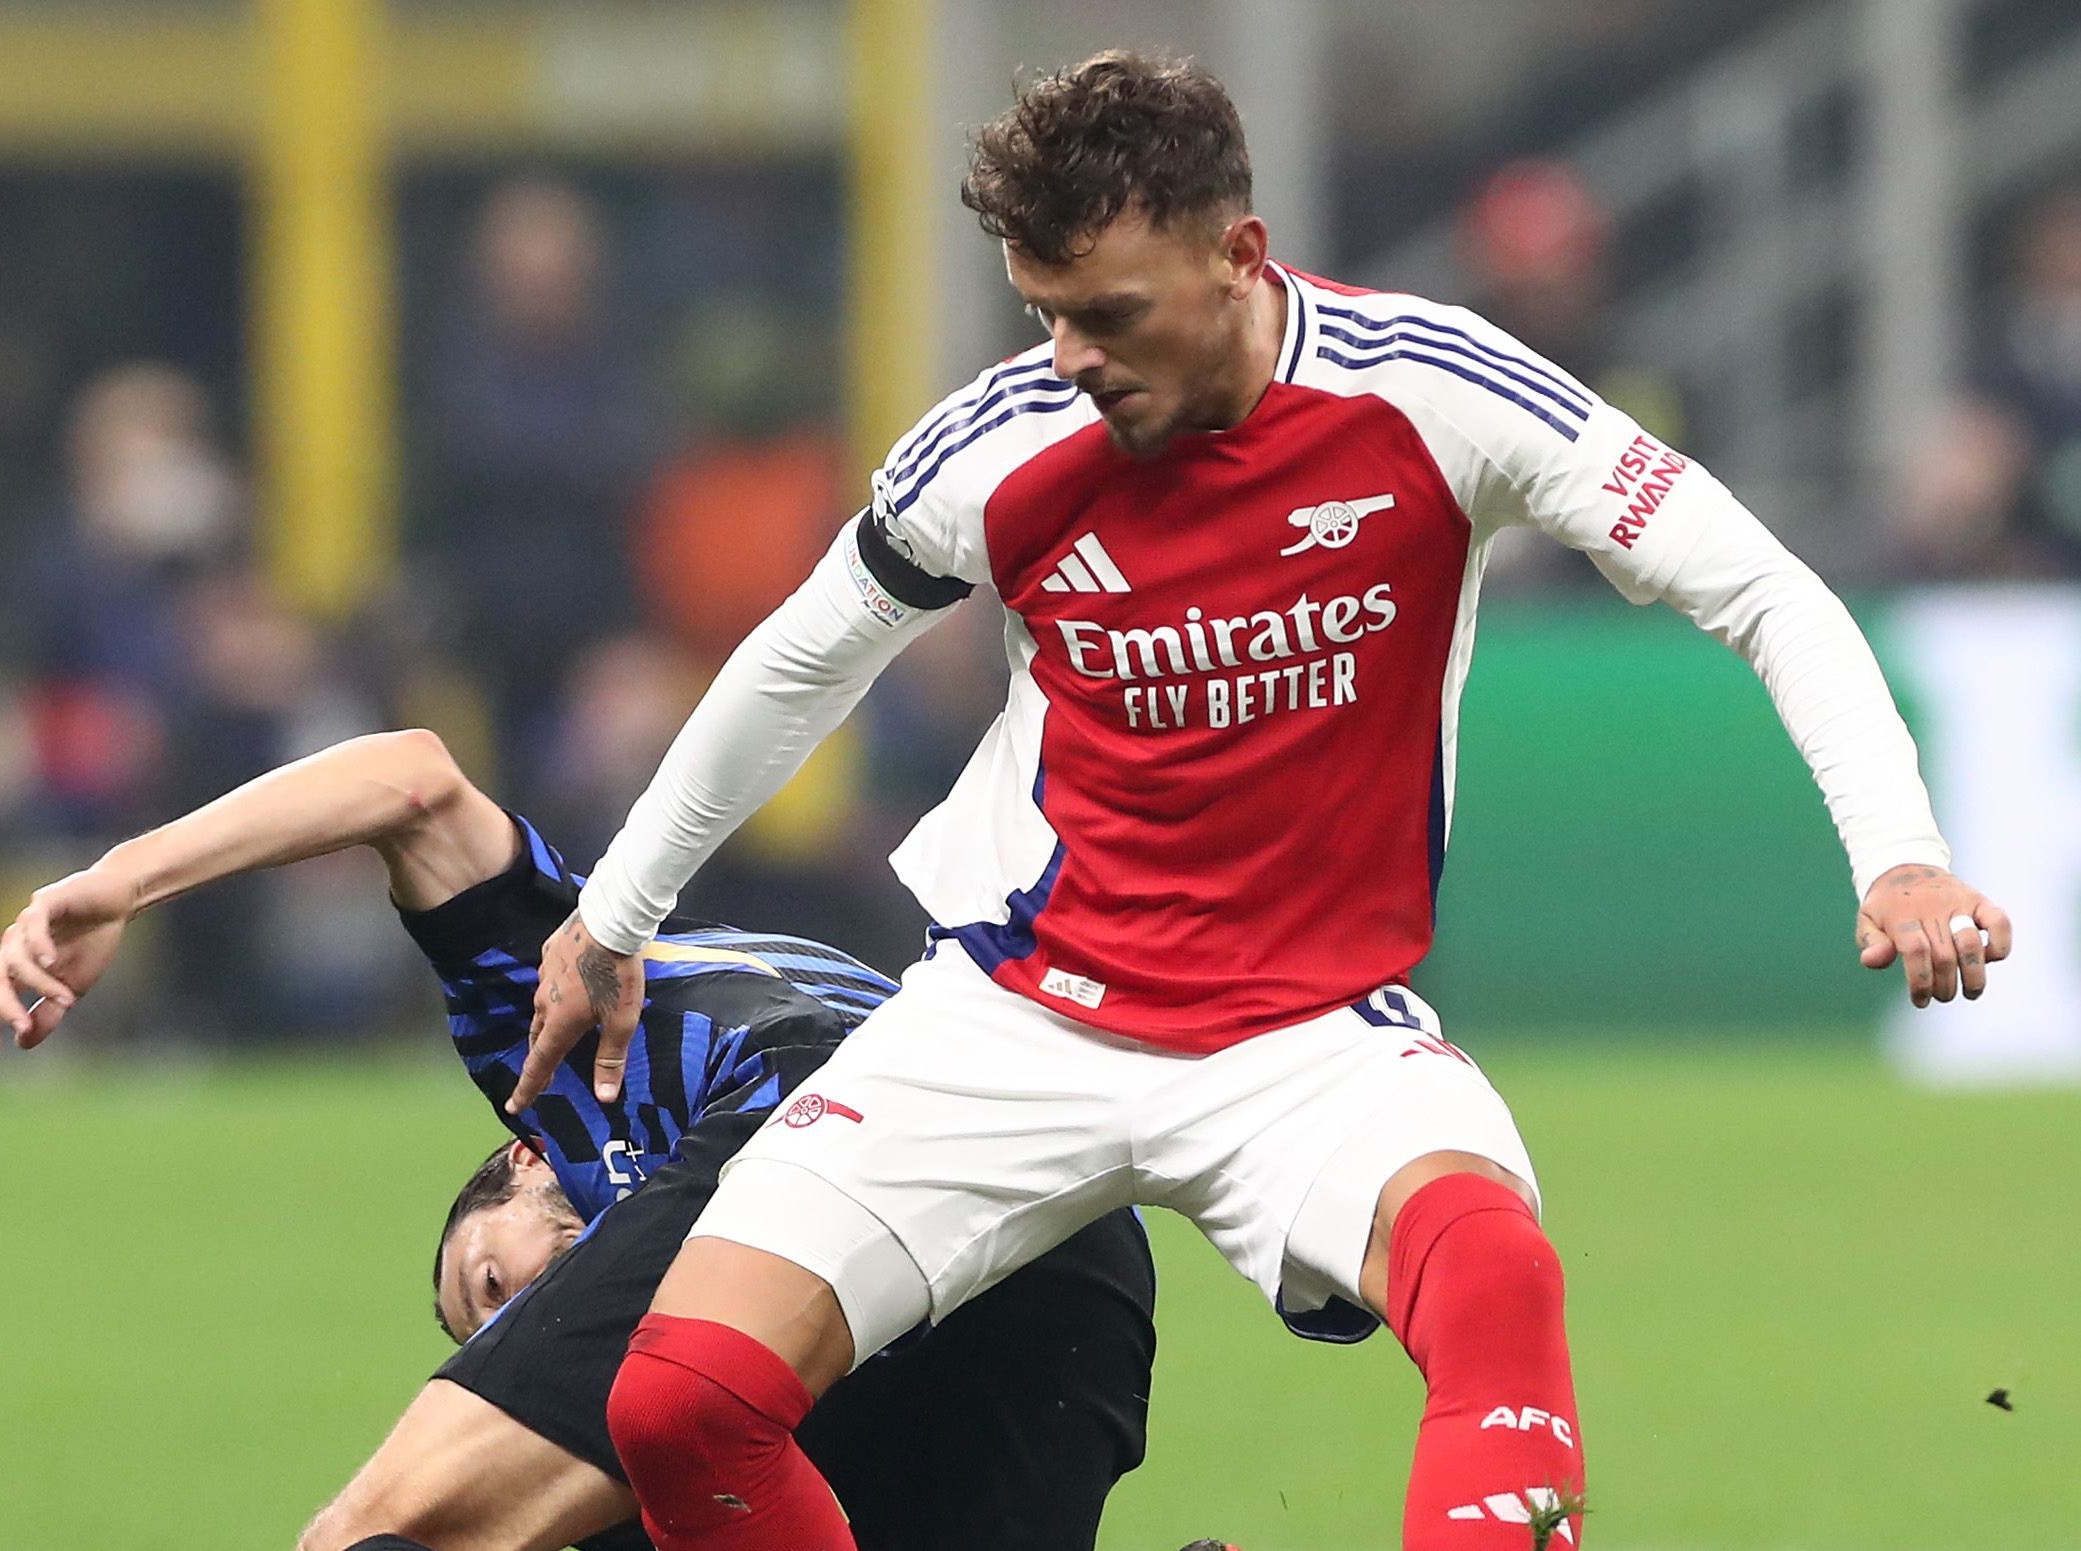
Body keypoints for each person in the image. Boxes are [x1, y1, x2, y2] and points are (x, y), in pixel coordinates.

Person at [517, 52, 2014, 1551]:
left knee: (1491, 1267)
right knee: (679, 1405)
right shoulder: (997, 444)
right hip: (1013, 1013)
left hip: (1301, 1033)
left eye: (1108, 314)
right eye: (1043, 314)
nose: (1071, 358)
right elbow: (799, 657)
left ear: (1239, 258)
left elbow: (1757, 584)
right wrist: (613, 914)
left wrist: (1897, 854)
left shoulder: (1431, 388)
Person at [0, 728, 1155, 1551]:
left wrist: (122, 880)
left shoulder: (537, 1052)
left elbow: (409, 780)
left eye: (492, 1284)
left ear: (526, 1158)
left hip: (831, 1120)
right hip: (1062, 1256)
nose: (512, 1330)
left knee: (386, 1533)